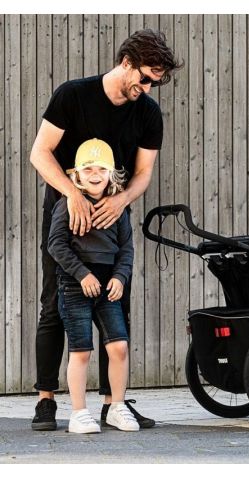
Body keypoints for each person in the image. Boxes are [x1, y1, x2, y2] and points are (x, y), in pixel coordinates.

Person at [30, 29, 183, 431]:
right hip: (66, 214)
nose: (148, 88)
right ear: (127, 62)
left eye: (156, 83)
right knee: (54, 306)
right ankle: (46, 400)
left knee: (114, 304)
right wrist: (73, 196)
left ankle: (112, 402)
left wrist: (121, 200)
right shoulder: (73, 95)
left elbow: (143, 172)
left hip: (112, 219)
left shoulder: (147, 113)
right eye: (145, 78)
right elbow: (39, 153)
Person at [48, 138, 138, 433]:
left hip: (108, 286)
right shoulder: (67, 205)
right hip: (76, 286)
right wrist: (82, 274)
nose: (95, 175)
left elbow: (126, 249)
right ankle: (78, 413)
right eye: (88, 169)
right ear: (77, 174)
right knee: (81, 350)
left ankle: (117, 406)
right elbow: (56, 245)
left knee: (119, 347)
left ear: (111, 174)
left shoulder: (118, 209)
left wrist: (120, 277)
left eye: (101, 169)